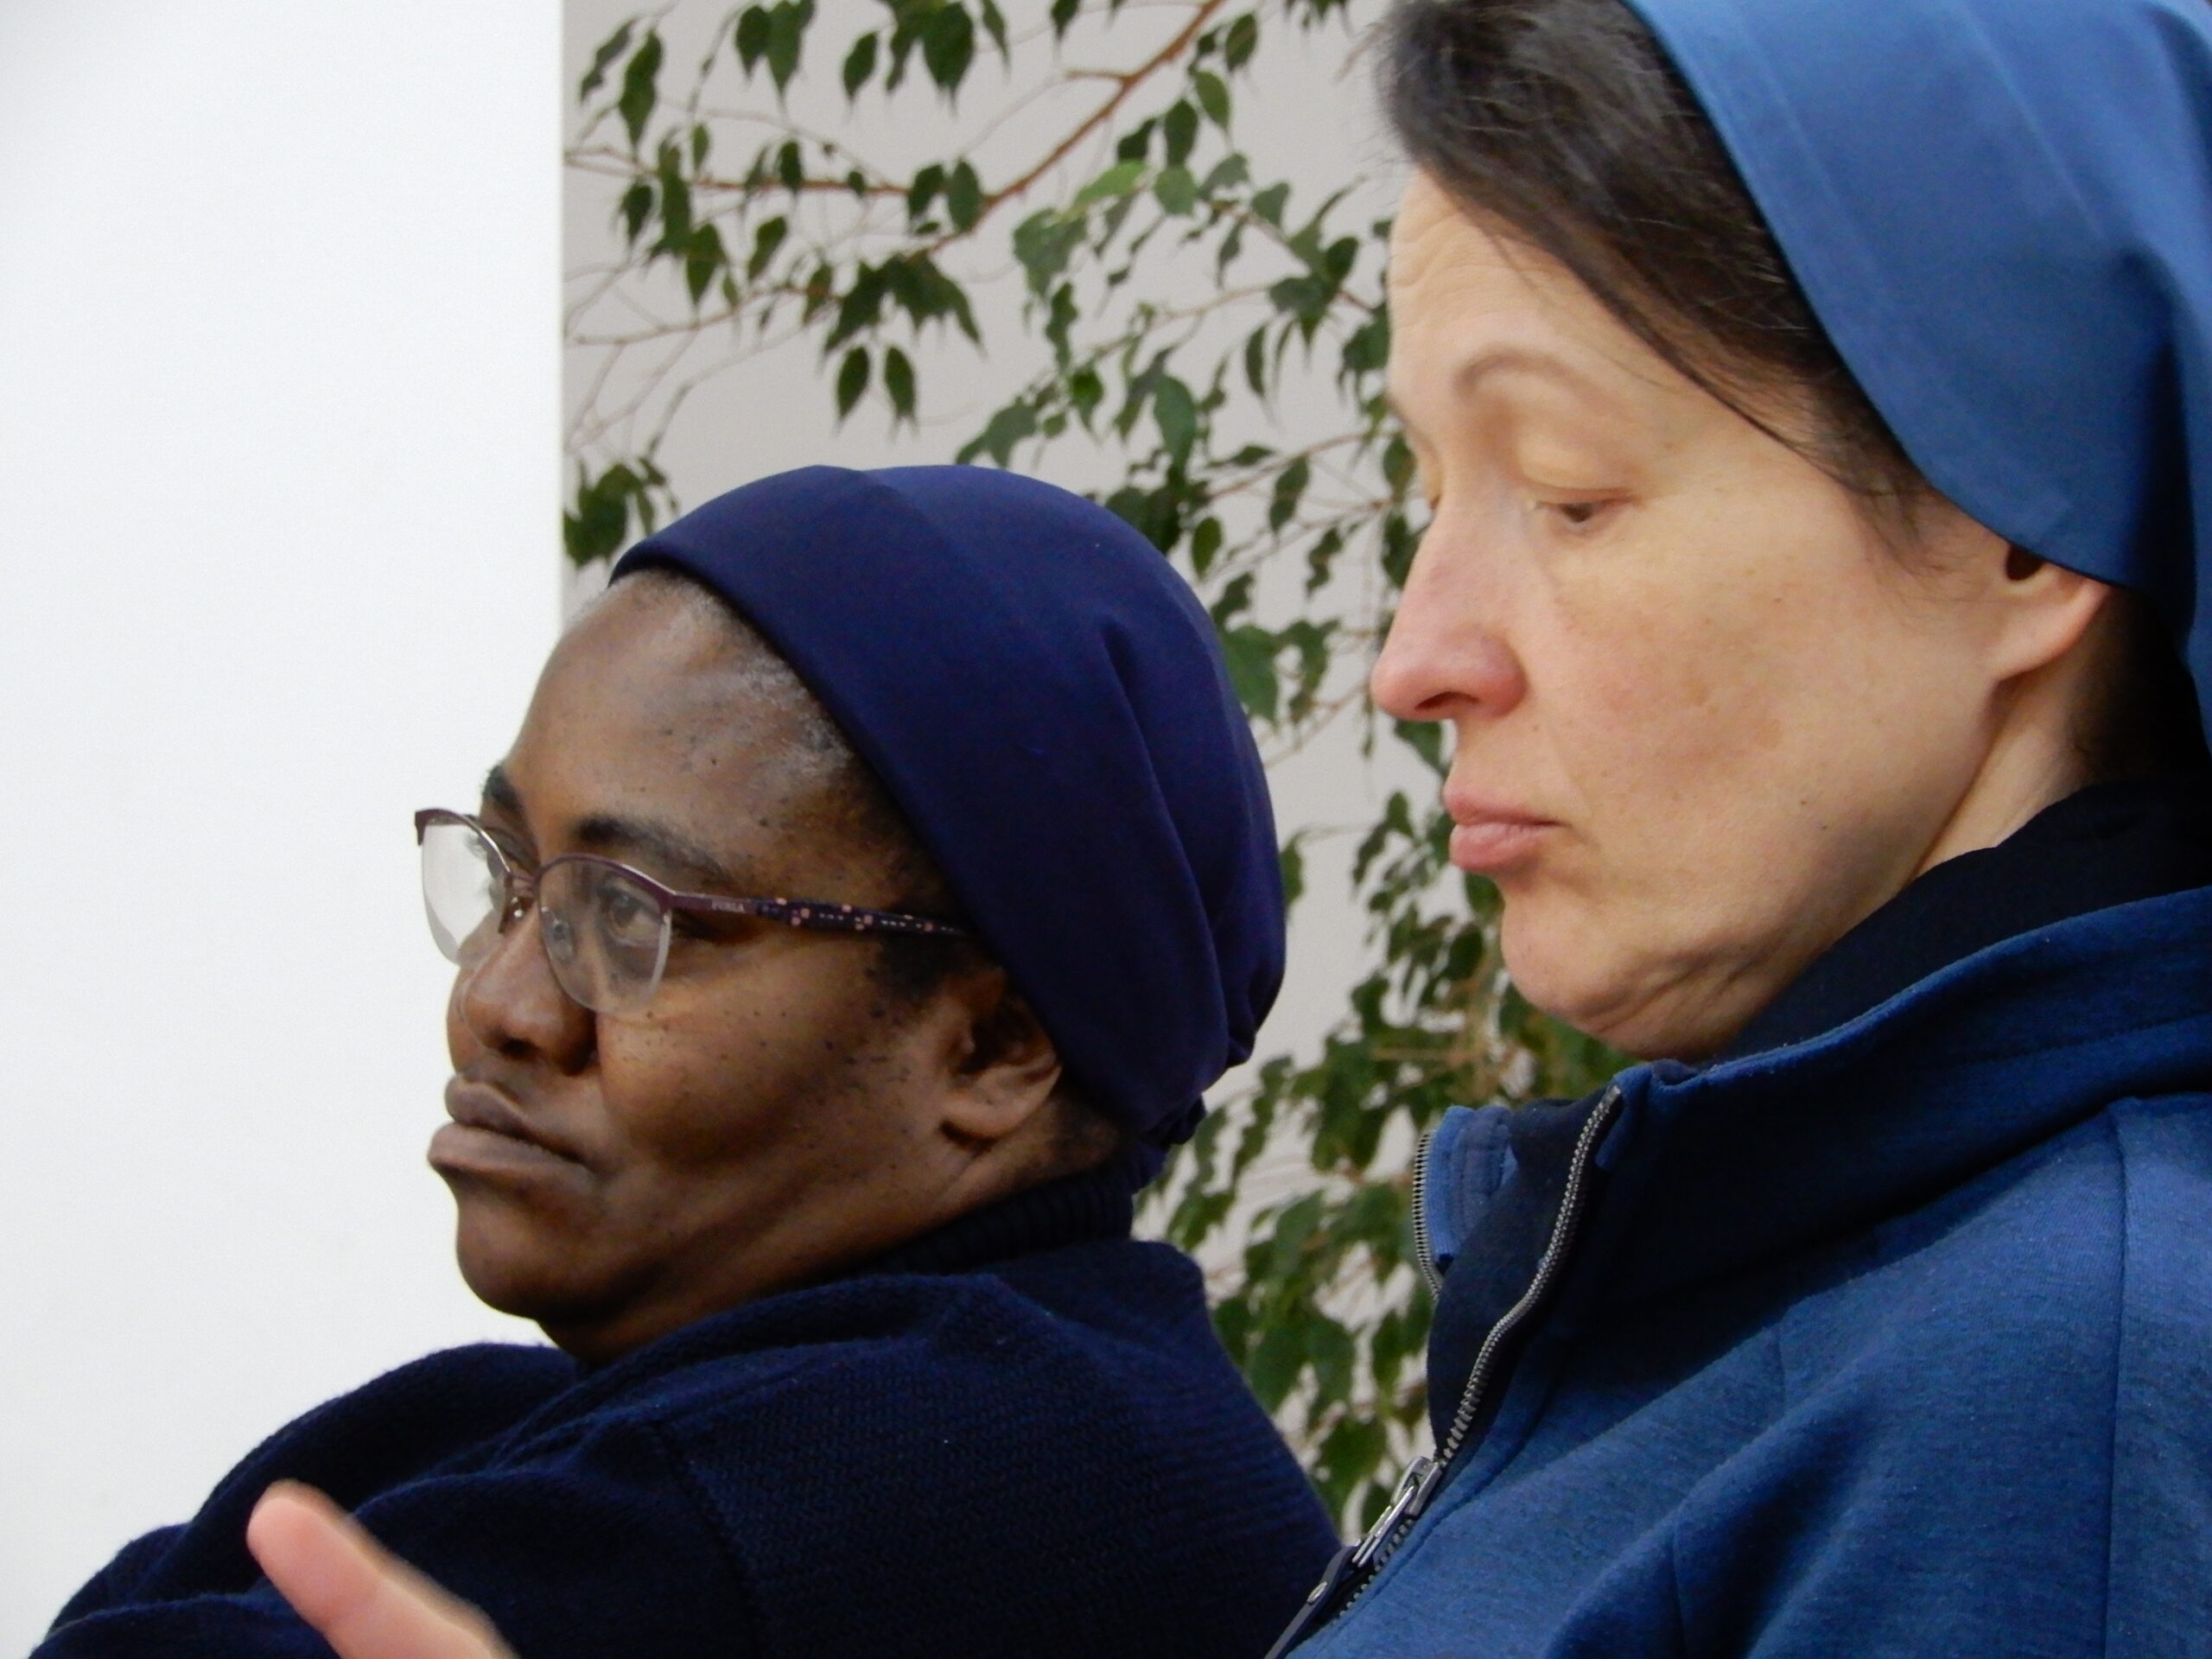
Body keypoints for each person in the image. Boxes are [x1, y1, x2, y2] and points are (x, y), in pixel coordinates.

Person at [232, 0, 2212, 1650]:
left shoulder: (2064, 1391)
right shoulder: (1766, 1295)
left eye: (1569, 491)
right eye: (1423, 493)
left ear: (2008, 519)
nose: (1413, 658)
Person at [35, 464, 1338, 1659]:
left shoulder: (847, 1488)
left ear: (994, 1047)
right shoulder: (1098, 1406)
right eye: (507, 875)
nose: (499, 1004)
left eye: (633, 919)